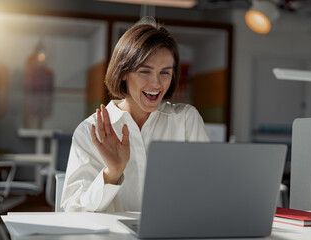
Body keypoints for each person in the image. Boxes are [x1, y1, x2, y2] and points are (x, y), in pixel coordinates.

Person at [61, 18, 210, 212]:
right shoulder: (89, 131)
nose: (156, 84)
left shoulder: (186, 121)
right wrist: (112, 173)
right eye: (145, 71)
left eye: (165, 73)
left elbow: (209, 188)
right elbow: (73, 210)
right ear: (124, 73)